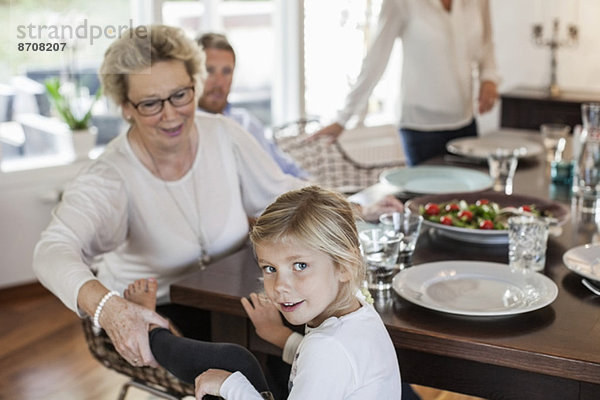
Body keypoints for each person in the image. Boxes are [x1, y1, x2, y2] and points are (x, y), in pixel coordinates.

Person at [32, 24, 403, 369]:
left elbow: (281, 192)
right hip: (160, 310)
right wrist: (109, 308)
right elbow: (51, 251)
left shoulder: (223, 133)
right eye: (150, 103)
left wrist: (357, 208)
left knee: (346, 338)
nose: (171, 115)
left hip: (236, 295)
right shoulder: (110, 175)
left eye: (180, 95)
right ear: (126, 108)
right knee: (263, 364)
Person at [128, 185, 402, 399]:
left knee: (233, 365)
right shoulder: (356, 311)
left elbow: (326, 358)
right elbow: (331, 366)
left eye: (300, 265)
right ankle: (152, 333)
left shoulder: (327, 350)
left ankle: (149, 331)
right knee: (236, 359)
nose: (281, 285)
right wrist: (279, 336)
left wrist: (229, 386)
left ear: (344, 265)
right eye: (270, 268)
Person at [311, 0, 500, 166]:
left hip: (466, 121)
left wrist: (489, 78)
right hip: (421, 128)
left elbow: (486, 42)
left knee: (472, 199)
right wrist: (343, 118)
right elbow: (375, 60)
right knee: (428, 203)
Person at [196, 32, 308, 179]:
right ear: (193, 73)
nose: (219, 81)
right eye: (209, 70)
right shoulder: (186, 128)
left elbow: (286, 169)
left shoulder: (246, 122)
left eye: (226, 71)